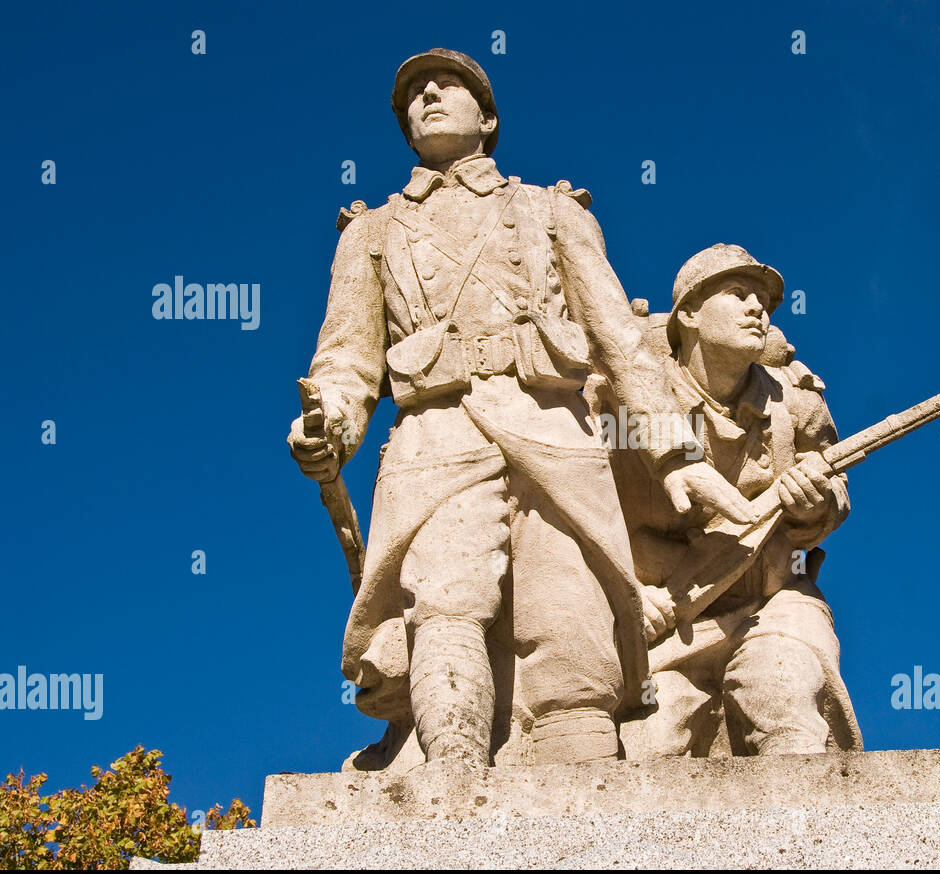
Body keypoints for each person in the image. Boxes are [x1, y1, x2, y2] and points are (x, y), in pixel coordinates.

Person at [287, 50, 752, 769]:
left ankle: (590, 801)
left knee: (569, 616)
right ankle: (451, 793)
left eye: (447, 86)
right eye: (413, 94)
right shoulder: (369, 234)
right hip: (434, 438)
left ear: (489, 117)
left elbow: (618, 340)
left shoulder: (551, 210)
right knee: (444, 602)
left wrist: (675, 456)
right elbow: (346, 360)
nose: (427, 96)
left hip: (552, 429)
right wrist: (331, 426)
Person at [613, 244, 863, 758]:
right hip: (665, 615)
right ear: (689, 313)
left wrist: (812, 506)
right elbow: (576, 510)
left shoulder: (795, 403)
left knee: (784, 699)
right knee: (648, 747)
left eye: (764, 302)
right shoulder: (627, 400)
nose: (758, 309)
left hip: (771, 602)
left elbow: (834, 490)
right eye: (737, 294)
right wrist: (629, 594)